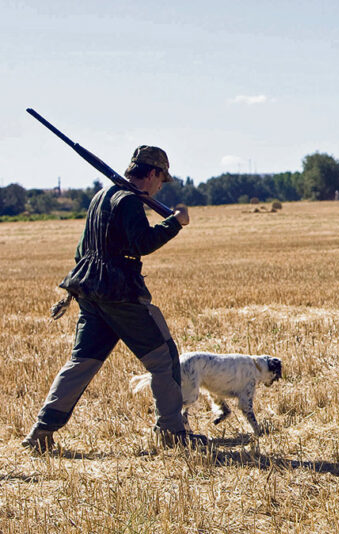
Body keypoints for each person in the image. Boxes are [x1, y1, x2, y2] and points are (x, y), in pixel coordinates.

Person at [21, 146, 207, 452]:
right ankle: (173, 432)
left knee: (81, 363)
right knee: (164, 359)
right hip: (120, 295)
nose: (161, 186)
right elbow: (142, 243)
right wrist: (175, 223)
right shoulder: (130, 201)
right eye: (161, 179)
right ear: (152, 174)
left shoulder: (101, 198)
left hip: (90, 293)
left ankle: (41, 433)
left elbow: (82, 251)